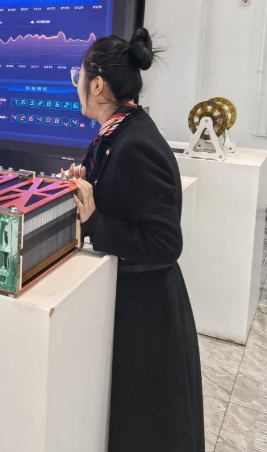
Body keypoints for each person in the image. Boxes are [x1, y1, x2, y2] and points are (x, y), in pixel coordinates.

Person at [66, 28, 204, 452]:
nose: (76, 85)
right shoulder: (119, 131)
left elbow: (164, 243)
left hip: (147, 314)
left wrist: (94, 218)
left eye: (78, 76)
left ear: (97, 85)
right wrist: (86, 185)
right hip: (132, 300)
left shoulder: (135, 143)